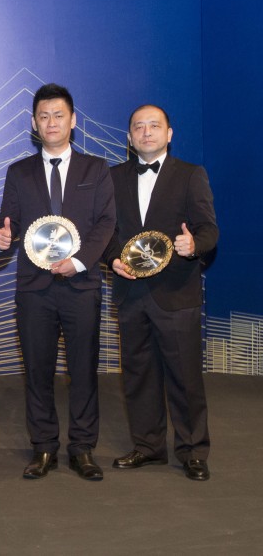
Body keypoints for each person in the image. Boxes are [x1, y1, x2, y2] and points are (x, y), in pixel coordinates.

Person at [0, 83, 115, 481]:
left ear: (73, 120)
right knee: (38, 370)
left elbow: (105, 224)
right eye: (43, 116)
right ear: (33, 123)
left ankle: (82, 449)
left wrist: (79, 261)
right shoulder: (18, 172)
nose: (51, 122)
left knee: (83, 370)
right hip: (33, 288)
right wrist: (2, 236)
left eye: (58, 115)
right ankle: (43, 447)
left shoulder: (96, 170)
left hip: (81, 286)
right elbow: (7, 220)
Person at [104, 104, 218, 481]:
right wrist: (111, 259)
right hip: (130, 293)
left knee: (185, 377)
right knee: (138, 375)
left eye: (154, 126)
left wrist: (194, 245)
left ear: (169, 134)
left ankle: (192, 450)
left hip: (177, 294)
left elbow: (209, 230)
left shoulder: (190, 175)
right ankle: (148, 446)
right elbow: (104, 234)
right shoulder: (113, 176)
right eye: (139, 126)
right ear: (130, 137)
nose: (146, 132)